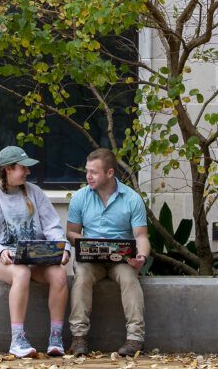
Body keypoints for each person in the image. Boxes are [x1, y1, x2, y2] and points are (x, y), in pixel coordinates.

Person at [0, 145, 71, 358]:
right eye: (22, 168)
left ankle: (55, 337)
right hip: (5, 261)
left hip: (37, 256)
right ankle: (17, 339)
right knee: (21, 272)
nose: (28, 172)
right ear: (7, 169)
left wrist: (64, 250)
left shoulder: (35, 193)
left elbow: (52, 227)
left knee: (60, 274)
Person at [66, 148, 151, 357]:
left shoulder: (132, 199)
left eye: (94, 172)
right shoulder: (80, 198)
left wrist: (141, 256)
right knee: (82, 276)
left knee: (130, 279)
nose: (88, 176)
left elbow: (141, 236)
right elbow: (71, 233)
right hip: (91, 259)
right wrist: (88, 241)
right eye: (87, 171)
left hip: (120, 259)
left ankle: (135, 339)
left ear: (110, 173)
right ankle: (78, 339)